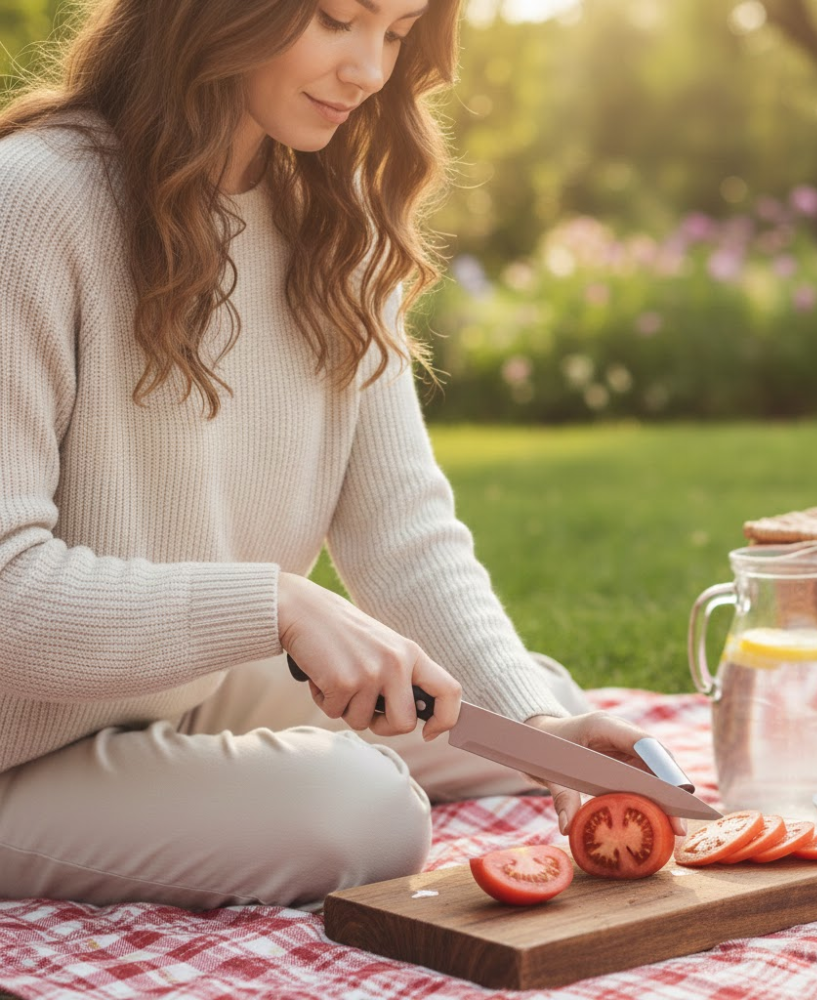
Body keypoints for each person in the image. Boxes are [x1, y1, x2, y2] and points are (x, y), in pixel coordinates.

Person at [0, 0, 683, 911]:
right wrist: (278, 605)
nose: (370, 70)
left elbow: (402, 533)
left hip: (166, 684)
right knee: (361, 812)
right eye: (336, 19)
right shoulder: (31, 201)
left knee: (510, 697)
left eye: (396, 32)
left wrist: (538, 728)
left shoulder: (337, 222)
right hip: (17, 741)